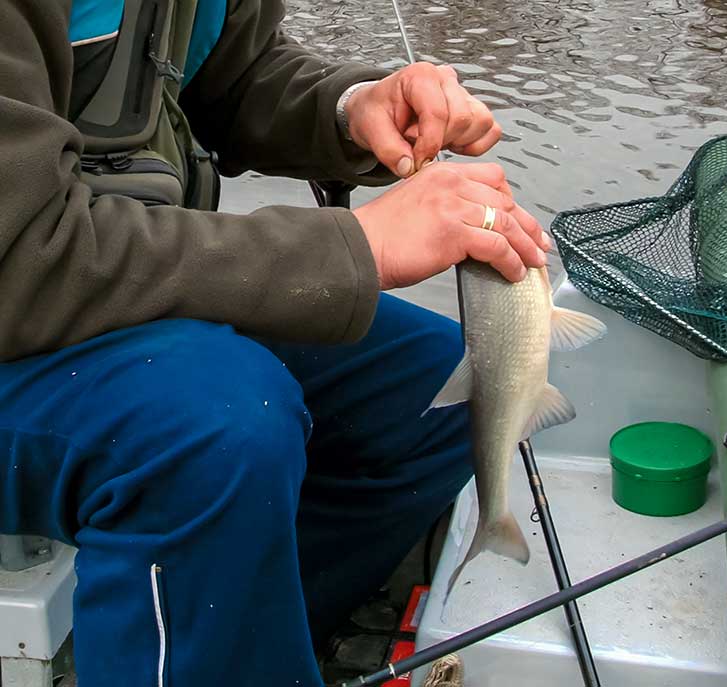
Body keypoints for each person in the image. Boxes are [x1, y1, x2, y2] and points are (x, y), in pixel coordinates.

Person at [0, 1, 548, 685]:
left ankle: (239, 654)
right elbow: (24, 255)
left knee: (437, 395)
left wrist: (352, 109)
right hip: (27, 300)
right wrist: (358, 247)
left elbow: (232, 79)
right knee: (216, 433)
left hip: (115, 286)